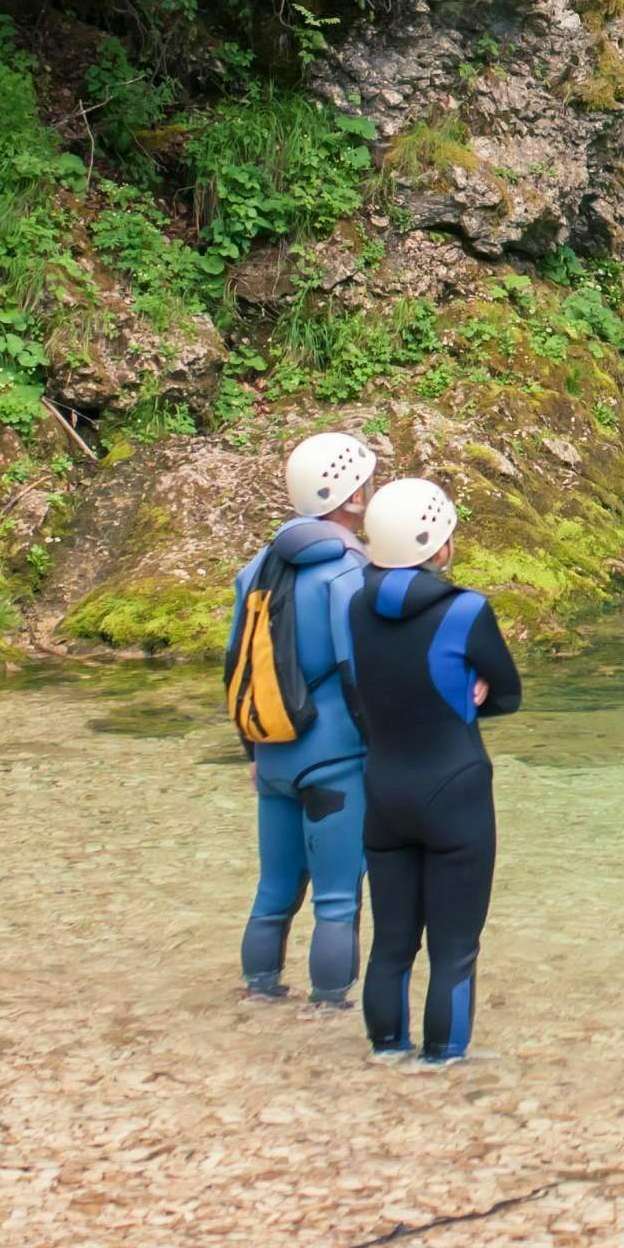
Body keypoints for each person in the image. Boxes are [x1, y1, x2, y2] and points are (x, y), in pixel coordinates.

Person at [343, 478, 521, 1065]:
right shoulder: (466, 609)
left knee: (391, 944)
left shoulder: (354, 606)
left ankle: (385, 1049)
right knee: (454, 949)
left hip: (385, 789)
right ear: (437, 544)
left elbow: (368, 690)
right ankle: (444, 1061)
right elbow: (509, 696)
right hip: (455, 789)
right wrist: (476, 697)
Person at [230, 431, 377, 1006]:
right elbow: (357, 673)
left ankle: (259, 994)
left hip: (271, 751)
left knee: (273, 891)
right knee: (338, 898)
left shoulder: (255, 568)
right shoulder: (349, 571)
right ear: (351, 495)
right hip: (336, 758)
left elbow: (235, 667)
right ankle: (329, 1009)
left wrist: (252, 751)